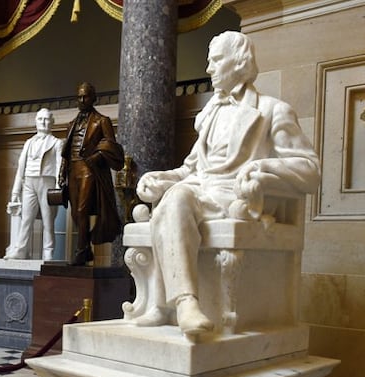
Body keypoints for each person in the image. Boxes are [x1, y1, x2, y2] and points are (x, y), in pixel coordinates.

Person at [133, 31, 320, 335]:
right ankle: (181, 304)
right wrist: (162, 177)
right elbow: (191, 169)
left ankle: (179, 304)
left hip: (235, 198)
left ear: (240, 62)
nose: (208, 69)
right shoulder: (208, 114)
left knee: (177, 199)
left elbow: (310, 170)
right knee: (176, 195)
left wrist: (263, 167)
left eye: (216, 60)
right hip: (199, 192)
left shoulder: (272, 111)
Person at [58, 82, 124, 266]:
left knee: (83, 209)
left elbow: (111, 145)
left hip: (89, 169)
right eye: (79, 96)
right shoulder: (71, 124)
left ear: (93, 98)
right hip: (73, 169)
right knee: (76, 214)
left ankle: (80, 252)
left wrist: (98, 156)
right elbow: (67, 150)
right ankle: (86, 249)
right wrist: (62, 171)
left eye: (85, 96)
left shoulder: (102, 121)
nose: (82, 100)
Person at [4, 108, 63, 261]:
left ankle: (48, 252)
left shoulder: (57, 143)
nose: (43, 122)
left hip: (47, 182)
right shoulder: (29, 142)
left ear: (52, 122)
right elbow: (20, 169)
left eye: (47, 119)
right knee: (26, 219)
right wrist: (15, 192)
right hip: (29, 182)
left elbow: (59, 166)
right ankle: (21, 250)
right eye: (40, 119)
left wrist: (58, 187)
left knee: (48, 220)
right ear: (36, 121)